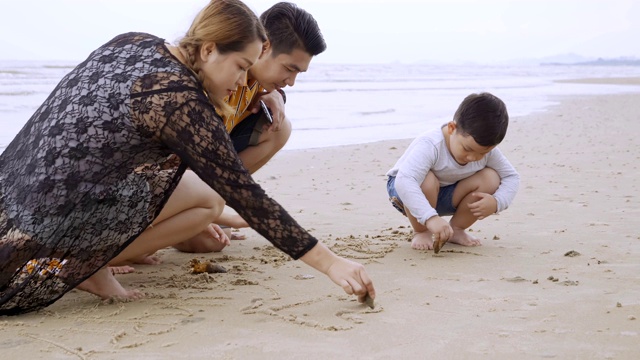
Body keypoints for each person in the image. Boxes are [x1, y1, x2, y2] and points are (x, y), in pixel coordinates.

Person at [0, 0, 375, 316]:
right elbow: (244, 193)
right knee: (211, 199)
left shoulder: (134, 41)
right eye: (242, 66)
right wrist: (331, 262)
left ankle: (100, 254)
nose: (244, 80)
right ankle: (89, 263)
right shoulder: (179, 101)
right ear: (210, 49)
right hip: (56, 223)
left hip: (16, 194)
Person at [173, 1, 327, 253]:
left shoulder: (259, 83)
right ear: (264, 47)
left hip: (204, 168)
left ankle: (212, 204)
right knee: (207, 240)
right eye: (289, 69)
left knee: (279, 127)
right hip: (172, 172)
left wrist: (276, 95)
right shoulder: (219, 76)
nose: (291, 82)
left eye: (298, 73)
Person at [385, 92, 520, 253]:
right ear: (452, 128)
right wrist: (430, 218)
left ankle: (456, 229)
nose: (473, 157)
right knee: (427, 179)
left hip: (447, 195)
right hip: (407, 194)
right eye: (467, 149)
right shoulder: (431, 144)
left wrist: (497, 202)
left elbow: (511, 176)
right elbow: (404, 180)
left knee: (490, 178)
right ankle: (421, 231)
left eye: (482, 153)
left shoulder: (487, 152)